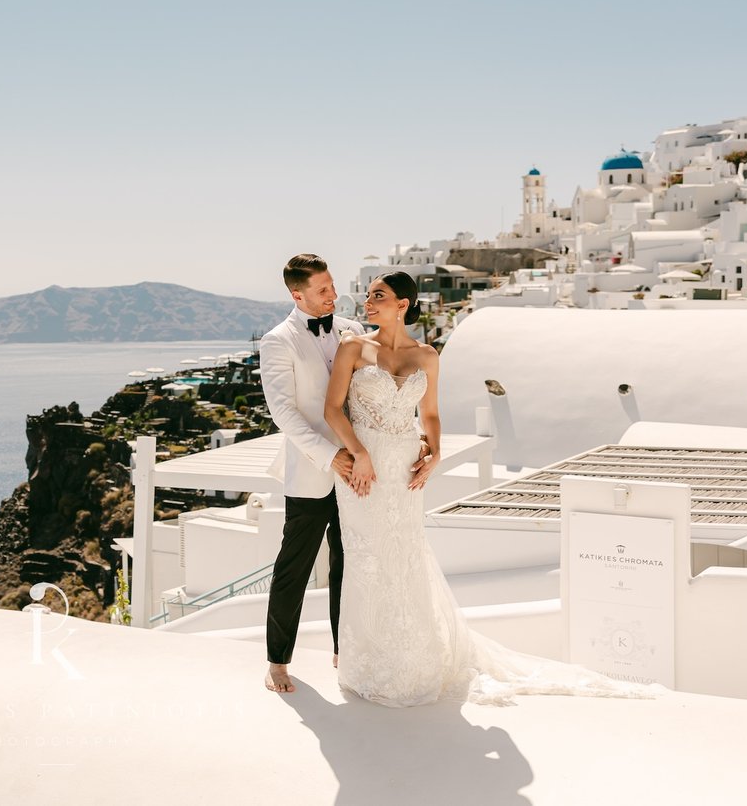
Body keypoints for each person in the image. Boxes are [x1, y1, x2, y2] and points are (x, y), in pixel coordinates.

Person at [324, 271, 660, 705]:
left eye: (379, 296)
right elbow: (333, 410)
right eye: (368, 295)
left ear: (403, 304)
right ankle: (366, 662)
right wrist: (360, 453)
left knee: (404, 556)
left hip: (405, 469)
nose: (368, 302)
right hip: (362, 471)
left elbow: (431, 416)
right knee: (366, 559)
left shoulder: (427, 355)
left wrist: (437, 452)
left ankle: (411, 660)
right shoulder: (353, 347)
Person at [260, 254, 415, 694]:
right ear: (298, 294)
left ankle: (343, 651)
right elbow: (285, 415)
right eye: (323, 290)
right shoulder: (278, 341)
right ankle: (277, 662)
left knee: (350, 566)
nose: (333, 295)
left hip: (361, 472)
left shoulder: (350, 330)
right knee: (294, 568)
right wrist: (332, 456)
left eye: (332, 286)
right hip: (313, 472)